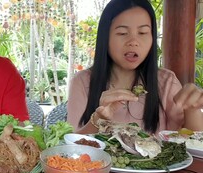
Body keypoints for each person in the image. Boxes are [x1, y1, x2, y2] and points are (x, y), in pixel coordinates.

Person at [67, 0, 203, 134]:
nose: (133, 42)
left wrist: (192, 109)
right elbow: (71, 145)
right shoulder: (82, 82)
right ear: (105, 38)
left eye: (143, 33)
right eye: (122, 33)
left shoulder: (166, 81)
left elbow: (191, 140)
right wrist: (98, 119)